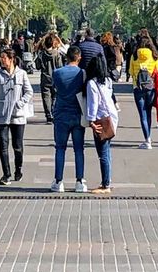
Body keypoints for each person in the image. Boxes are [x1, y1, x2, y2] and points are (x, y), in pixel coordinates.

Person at [0, 44, 34, 185]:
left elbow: (29, 91)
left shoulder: (22, 74)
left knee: (17, 146)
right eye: (1, 58)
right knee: (3, 145)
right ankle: (6, 174)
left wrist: (20, 102)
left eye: (4, 58)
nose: (2, 60)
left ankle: (18, 168)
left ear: (12, 59)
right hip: (1, 115)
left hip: (17, 115)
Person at [50, 43, 86, 193]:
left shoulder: (57, 73)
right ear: (79, 58)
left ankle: (59, 181)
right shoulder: (82, 73)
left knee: (60, 148)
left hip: (61, 113)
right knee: (79, 149)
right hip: (77, 113)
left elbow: (54, 89)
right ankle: (80, 181)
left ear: (66, 57)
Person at [86, 52, 119, 194]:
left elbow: (93, 104)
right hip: (111, 118)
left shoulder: (92, 83)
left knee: (103, 152)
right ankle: (107, 181)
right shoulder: (108, 81)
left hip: (101, 119)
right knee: (107, 151)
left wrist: (91, 120)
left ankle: (105, 184)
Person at [129, 35, 158, 149]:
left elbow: (131, 71)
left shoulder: (135, 56)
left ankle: (147, 139)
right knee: (149, 112)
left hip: (138, 88)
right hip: (151, 88)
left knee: (142, 115)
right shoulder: (154, 56)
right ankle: (149, 137)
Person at [35, 32, 64, 124]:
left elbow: (37, 66)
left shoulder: (41, 54)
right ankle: (53, 112)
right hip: (55, 77)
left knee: (46, 97)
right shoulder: (57, 54)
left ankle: (48, 115)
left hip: (45, 77)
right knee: (55, 96)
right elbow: (60, 66)